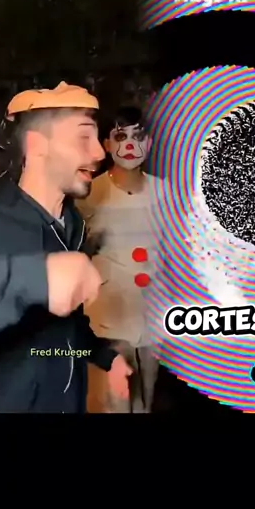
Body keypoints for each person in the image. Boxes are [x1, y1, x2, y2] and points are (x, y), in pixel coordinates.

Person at [0, 82, 132, 413]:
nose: (99, 153)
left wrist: (104, 356)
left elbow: (53, 336)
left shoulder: (71, 225)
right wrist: (27, 279)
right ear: (37, 145)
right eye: (83, 137)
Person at [78, 105, 161, 413]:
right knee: (116, 404)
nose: (129, 145)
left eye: (137, 136)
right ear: (107, 143)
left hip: (152, 321)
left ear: (149, 143)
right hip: (108, 320)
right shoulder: (89, 194)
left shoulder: (166, 195)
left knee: (144, 403)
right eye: (120, 136)